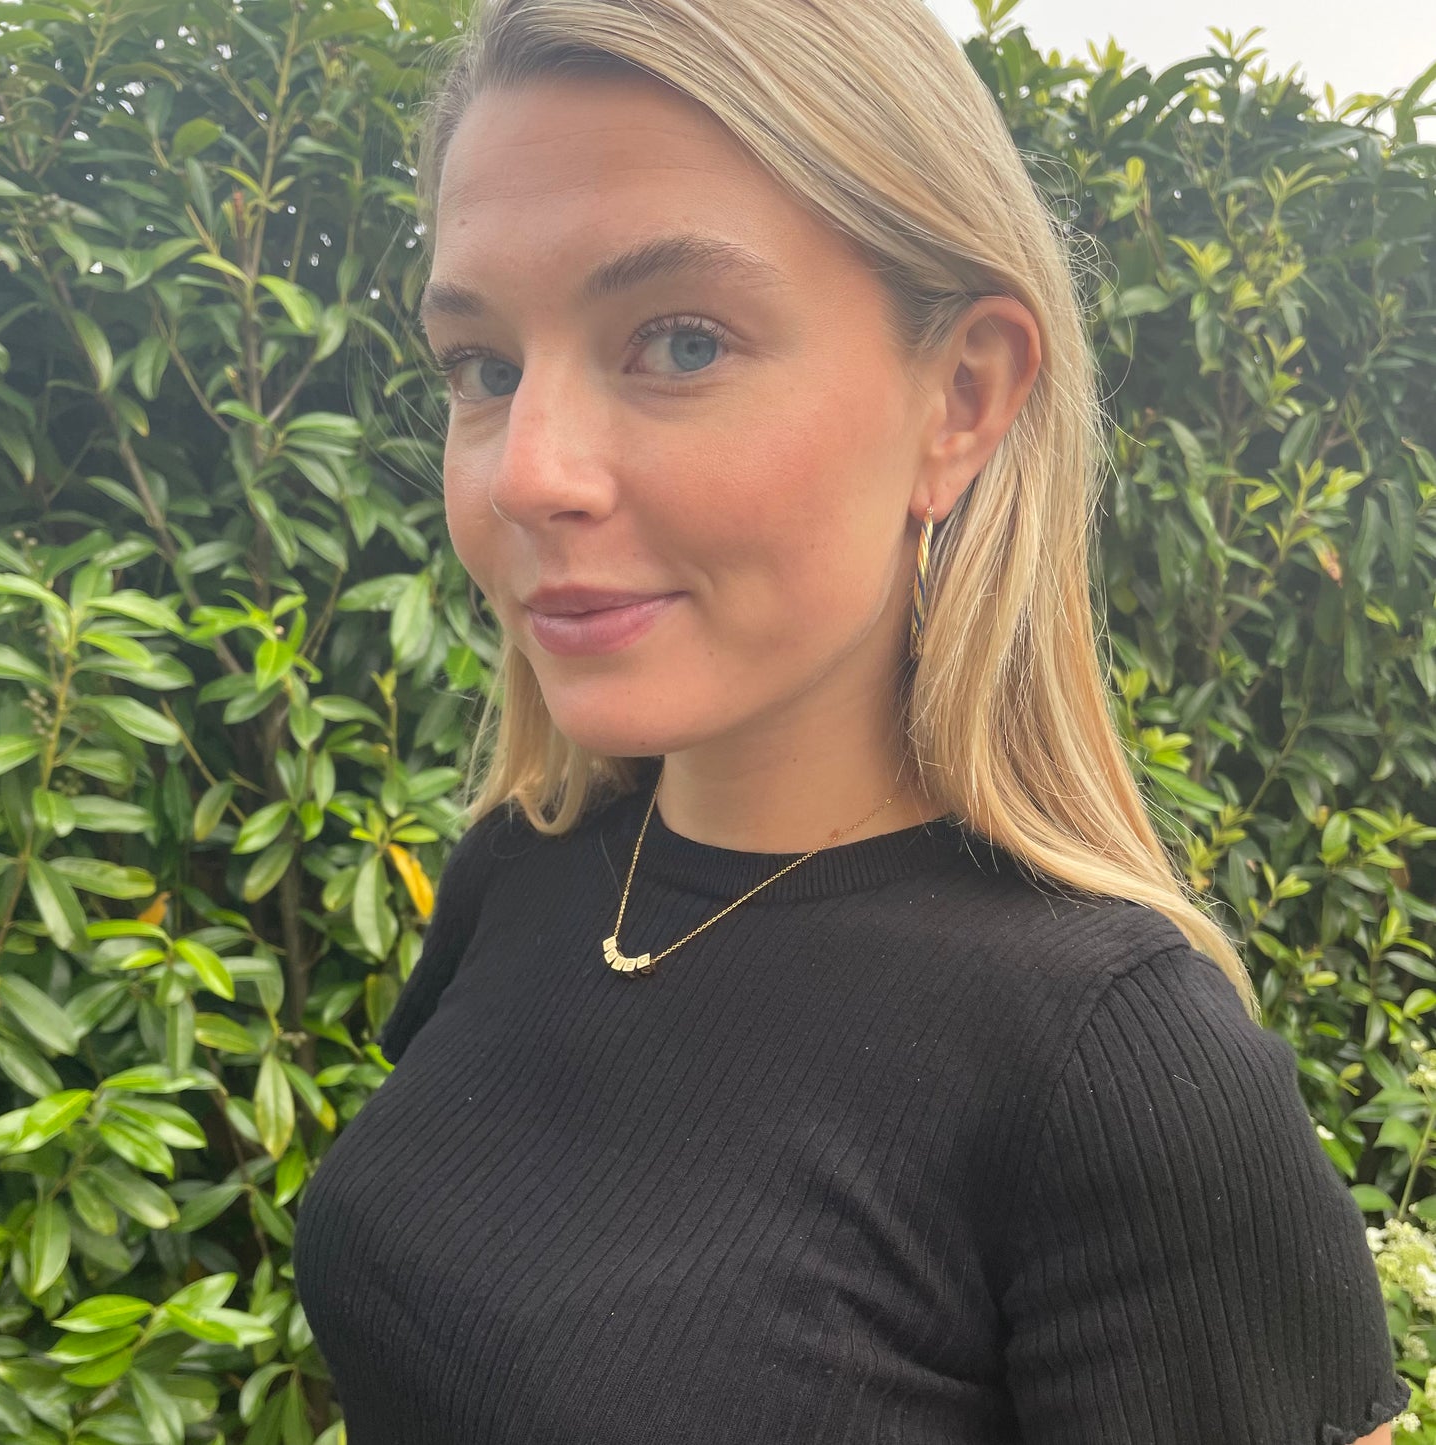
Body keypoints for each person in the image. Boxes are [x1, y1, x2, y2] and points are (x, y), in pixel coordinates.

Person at [290, 1, 1409, 1441]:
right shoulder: (528, 865)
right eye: (483, 367)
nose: (528, 474)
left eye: (679, 342)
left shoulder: (1115, 1071)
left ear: (961, 398)